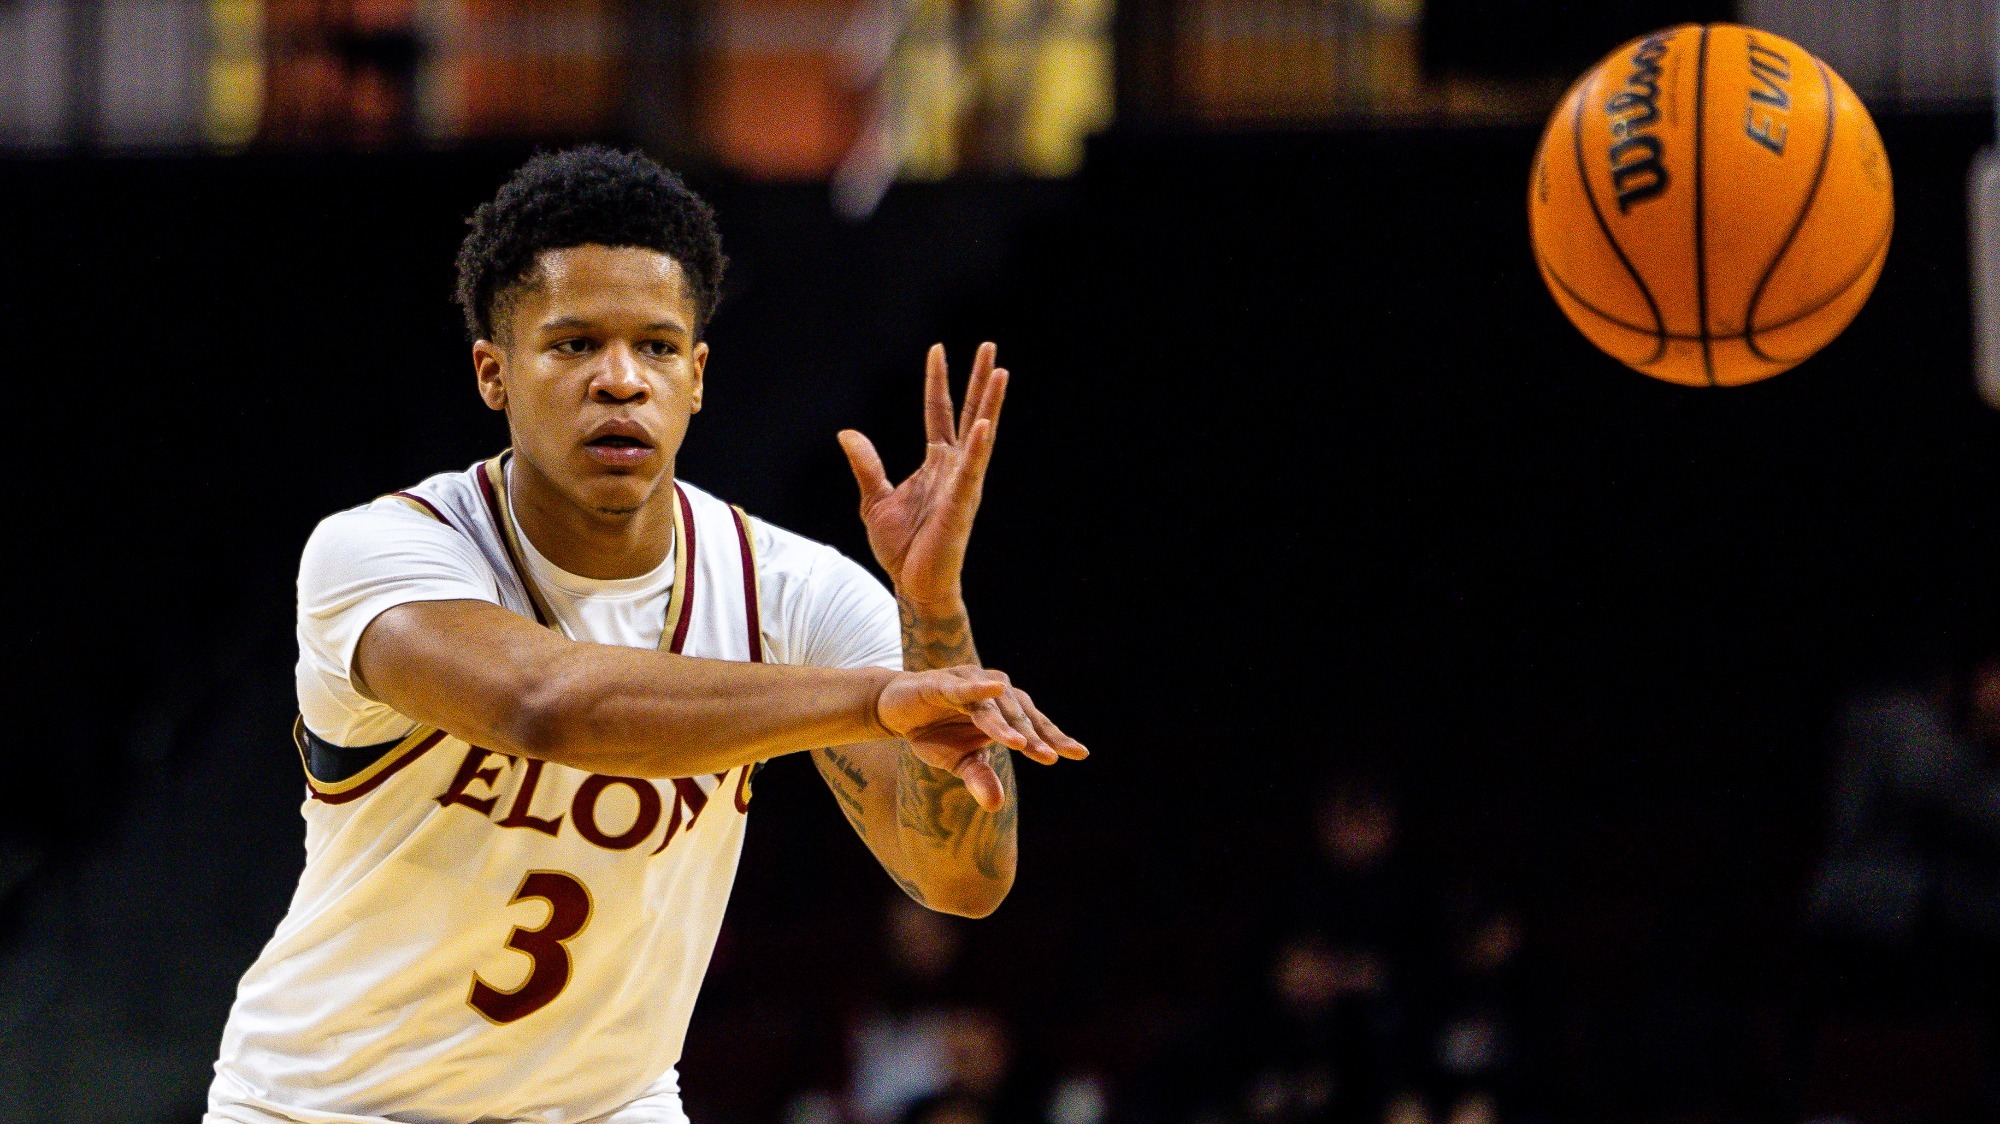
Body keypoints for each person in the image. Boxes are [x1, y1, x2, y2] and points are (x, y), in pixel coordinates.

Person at [205, 146, 1085, 1124]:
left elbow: (958, 877)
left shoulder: (786, 588)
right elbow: (545, 704)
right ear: (493, 372)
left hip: (609, 1102)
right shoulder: (379, 552)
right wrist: (870, 695)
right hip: (323, 1104)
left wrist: (930, 613)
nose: (621, 380)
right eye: (574, 344)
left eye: (658, 348)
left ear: (698, 376)